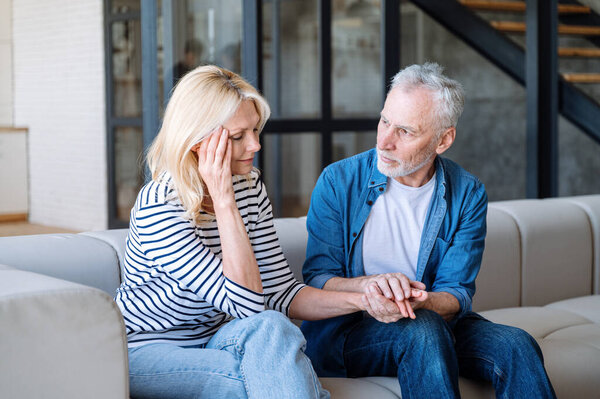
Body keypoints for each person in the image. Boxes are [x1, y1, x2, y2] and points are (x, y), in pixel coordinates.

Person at [301, 63, 557, 398]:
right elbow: (319, 277)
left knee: (516, 344)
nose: (385, 141)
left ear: (444, 139)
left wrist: (415, 302)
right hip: (349, 335)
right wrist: (371, 289)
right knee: (423, 329)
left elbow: (456, 293)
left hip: (432, 321)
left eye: (405, 131)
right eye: (384, 121)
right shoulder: (338, 181)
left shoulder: (468, 192)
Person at [115, 65, 369, 399]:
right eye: (238, 136)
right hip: (147, 350)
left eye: (255, 130)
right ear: (197, 144)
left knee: (274, 331)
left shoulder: (249, 190)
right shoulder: (160, 206)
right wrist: (224, 202)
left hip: (220, 339)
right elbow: (248, 304)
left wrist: (364, 301)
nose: (255, 145)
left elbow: (278, 295)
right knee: (264, 379)